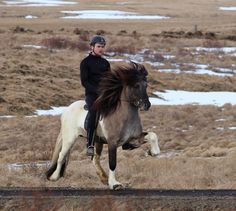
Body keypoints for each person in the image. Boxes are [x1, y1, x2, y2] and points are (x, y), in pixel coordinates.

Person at [80, 35, 111, 156]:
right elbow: (84, 82)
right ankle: (90, 144)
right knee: (93, 112)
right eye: (98, 46)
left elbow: (110, 80)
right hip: (92, 95)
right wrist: (98, 91)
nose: (101, 49)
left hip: (105, 94)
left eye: (103, 47)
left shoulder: (105, 63)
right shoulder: (85, 63)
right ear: (92, 47)